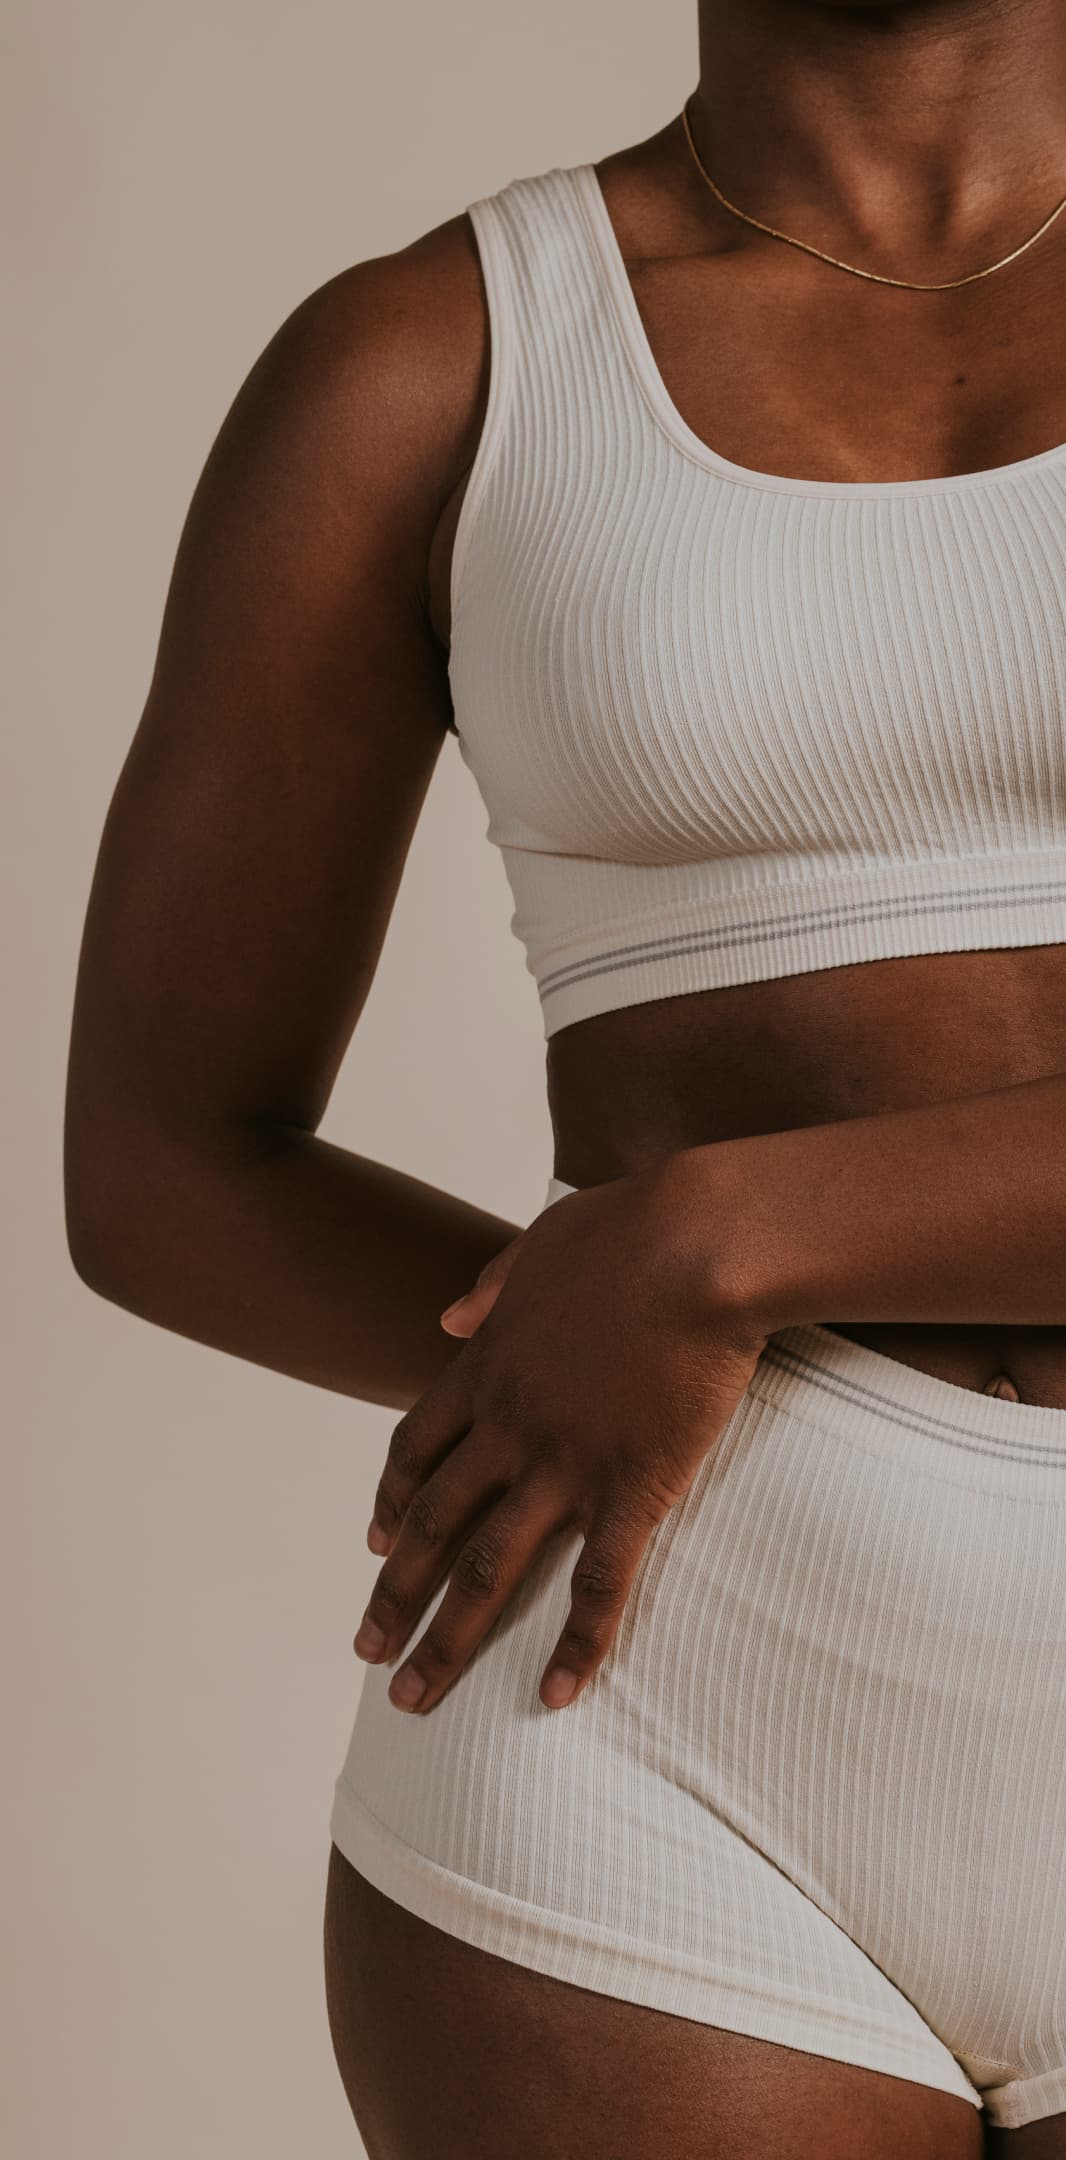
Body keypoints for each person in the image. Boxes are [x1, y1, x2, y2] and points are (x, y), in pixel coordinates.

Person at [64, 1, 1066, 2153]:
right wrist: (562, 1361)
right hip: (665, 1705)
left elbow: (700, 1242)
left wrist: (713, 1237)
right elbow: (159, 1163)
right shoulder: (429, 363)